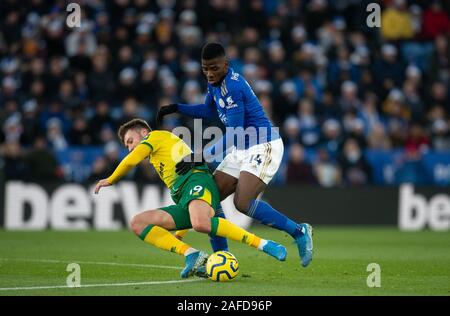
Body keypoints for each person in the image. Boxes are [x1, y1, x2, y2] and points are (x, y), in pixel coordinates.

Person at [156, 42, 313, 267]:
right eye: (205, 69)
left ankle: (299, 232)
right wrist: (177, 107)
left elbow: (236, 133)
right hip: (241, 148)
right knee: (210, 197)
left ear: (226, 65)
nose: (209, 73)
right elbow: (209, 111)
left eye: (214, 68)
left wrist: (202, 155)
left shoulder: (234, 87)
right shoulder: (214, 84)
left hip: (263, 145)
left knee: (243, 202)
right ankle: (223, 257)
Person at [94, 118, 287, 279]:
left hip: (197, 178)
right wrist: (179, 236)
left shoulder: (156, 136)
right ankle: (192, 255)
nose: (129, 148)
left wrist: (111, 179)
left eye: (130, 141)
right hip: (183, 194)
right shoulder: (158, 156)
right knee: (138, 223)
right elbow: (188, 199)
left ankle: (265, 244)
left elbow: (131, 160)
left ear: (144, 132)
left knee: (201, 223)